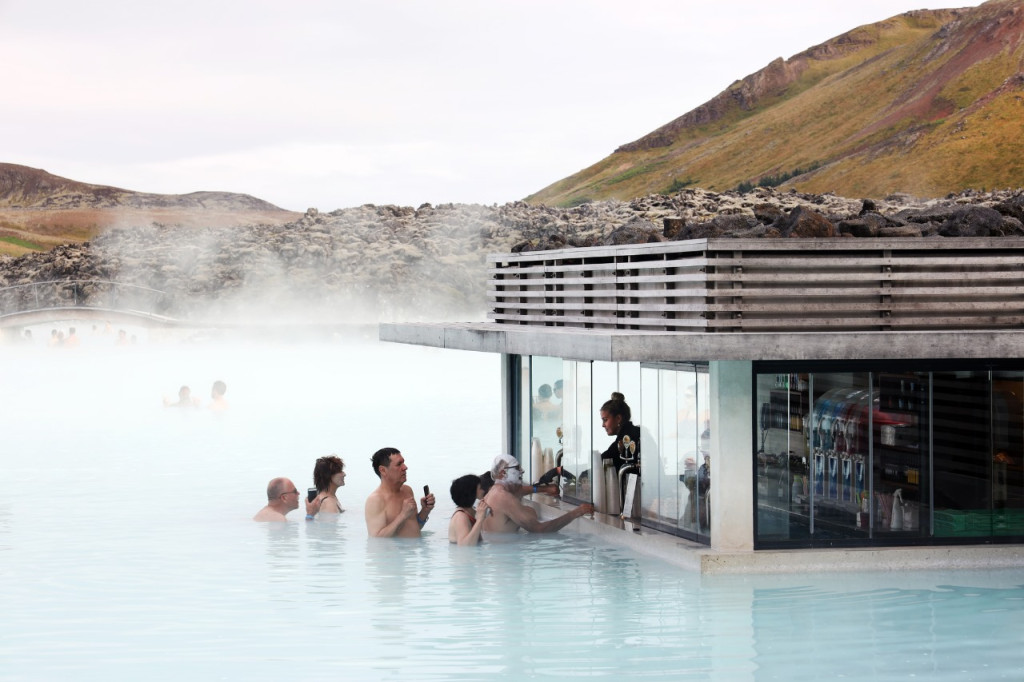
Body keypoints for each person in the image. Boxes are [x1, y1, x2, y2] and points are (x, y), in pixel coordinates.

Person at [483, 454, 593, 534]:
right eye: (517, 468)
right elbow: (540, 530)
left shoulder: (495, 491)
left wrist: (544, 489)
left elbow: (520, 490)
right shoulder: (504, 497)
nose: (522, 471)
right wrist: (576, 512)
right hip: (505, 554)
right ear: (504, 473)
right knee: (531, 512)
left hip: (498, 548)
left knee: (530, 511)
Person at [364, 447, 435, 537]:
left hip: (415, 545)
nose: (405, 467)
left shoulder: (407, 490)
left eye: (403, 463)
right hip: (396, 547)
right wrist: (403, 515)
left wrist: (425, 510)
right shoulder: (375, 500)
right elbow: (377, 539)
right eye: (399, 464)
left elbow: (413, 527)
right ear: (383, 470)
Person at [600, 392, 642, 511]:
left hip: (637, 497)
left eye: (605, 420)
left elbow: (605, 459)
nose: (603, 425)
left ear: (618, 418)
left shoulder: (626, 438)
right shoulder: (633, 432)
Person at [448, 474, 490, 545]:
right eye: (480, 488)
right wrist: (480, 520)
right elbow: (464, 546)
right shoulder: (460, 516)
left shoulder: (470, 512)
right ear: (471, 492)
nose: (483, 490)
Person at [253, 477, 320, 522]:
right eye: (294, 491)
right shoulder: (278, 519)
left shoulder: (265, 514)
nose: (298, 493)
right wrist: (310, 515)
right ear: (284, 498)